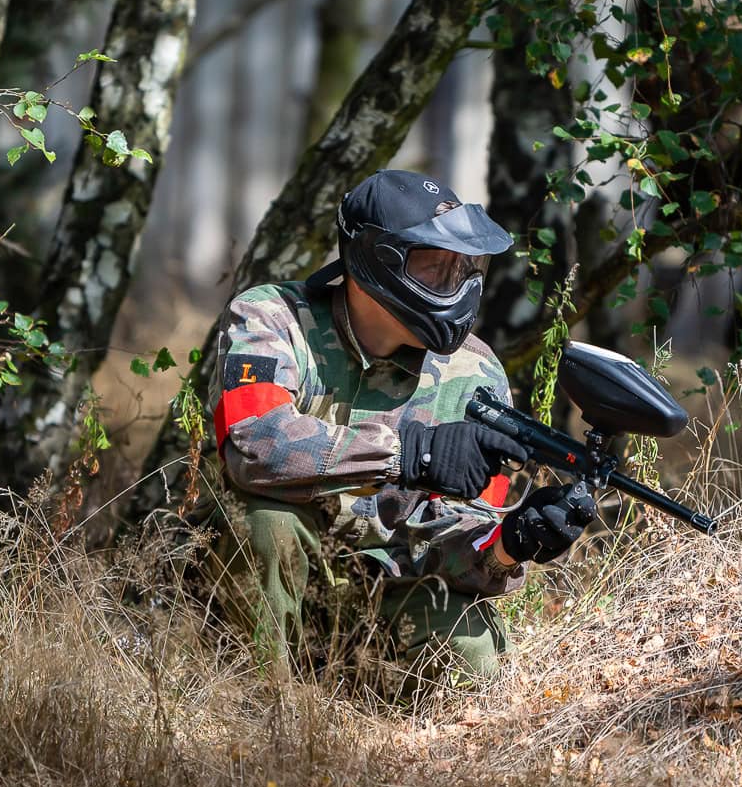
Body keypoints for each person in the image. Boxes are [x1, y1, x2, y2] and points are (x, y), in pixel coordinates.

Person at [201, 169, 598, 690]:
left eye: (467, 268)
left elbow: (454, 547)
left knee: (474, 654)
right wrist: (410, 454)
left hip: (385, 597)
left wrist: (510, 543)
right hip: (266, 581)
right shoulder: (274, 318)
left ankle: (372, 712)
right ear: (376, 259)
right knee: (268, 525)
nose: (459, 286)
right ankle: (257, 703)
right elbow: (255, 444)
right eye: (436, 266)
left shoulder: (476, 375)